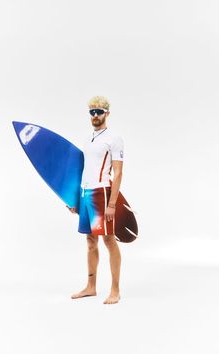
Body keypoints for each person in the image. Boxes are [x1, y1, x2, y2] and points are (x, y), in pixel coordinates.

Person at [67, 96, 124, 304]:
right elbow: (82, 171)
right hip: (85, 193)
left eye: (99, 112)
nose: (95, 116)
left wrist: (112, 204)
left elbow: (118, 173)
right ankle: (91, 287)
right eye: (92, 112)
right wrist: (74, 198)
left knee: (109, 240)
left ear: (107, 113)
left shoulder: (114, 139)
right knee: (90, 241)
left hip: (103, 193)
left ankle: (115, 290)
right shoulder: (88, 139)